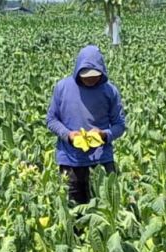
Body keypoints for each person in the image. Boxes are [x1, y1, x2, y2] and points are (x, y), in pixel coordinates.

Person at [46, 45, 127, 206]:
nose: (90, 79)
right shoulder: (62, 88)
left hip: (101, 159)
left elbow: (120, 125)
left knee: (107, 208)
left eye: (94, 75)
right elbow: (51, 120)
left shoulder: (109, 91)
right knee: (73, 211)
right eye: (85, 75)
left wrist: (104, 134)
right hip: (70, 160)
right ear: (78, 70)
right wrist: (68, 135)